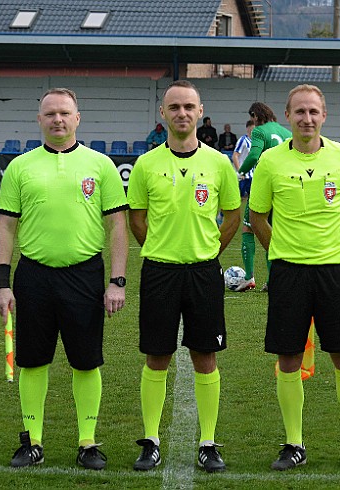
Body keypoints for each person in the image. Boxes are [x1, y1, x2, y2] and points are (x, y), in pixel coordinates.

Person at [0, 88, 128, 471]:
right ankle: (32, 441)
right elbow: (5, 226)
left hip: (85, 275)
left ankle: (87, 442)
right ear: (39, 119)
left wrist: (116, 281)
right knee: (33, 361)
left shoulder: (100, 165)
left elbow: (117, 226)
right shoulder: (21, 166)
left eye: (64, 113)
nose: (57, 120)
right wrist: (2, 283)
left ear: (77, 117)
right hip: (34, 275)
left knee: (86, 362)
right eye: (50, 113)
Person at [248, 84, 340, 472]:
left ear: (324, 116)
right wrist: (280, 252)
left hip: (335, 270)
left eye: (313, 112)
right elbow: (257, 216)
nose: (307, 119)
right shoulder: (270, 161)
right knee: (288, 357)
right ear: (287, 117)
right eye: (299, 112)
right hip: (289, 273)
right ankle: (294, 444)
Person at [127, 80, 241, 473]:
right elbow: (137, 220)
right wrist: (161, 247)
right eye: (174, 107)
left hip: (203, 272)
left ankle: (208, 442)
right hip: (159, 270)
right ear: (163, 113)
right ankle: (151, 440)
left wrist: (209, 250)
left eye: (188, 106)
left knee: (204, 356)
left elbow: (233, 216)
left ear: (200, 110)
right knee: (156, 356)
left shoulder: (218, 163)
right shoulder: (145, 164)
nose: (181, 113)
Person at [233, 102, 291, 292]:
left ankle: (249, 278)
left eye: (252, 118)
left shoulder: (259, 131)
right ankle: (273, 280)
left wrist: (241, 172)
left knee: (248, 229)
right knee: (272, 233)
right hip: (283, 190)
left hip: (264, 187)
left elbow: (252, 156)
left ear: (256, 116)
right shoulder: (286, 132)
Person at [232, 120, 254, 201]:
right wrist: (240, 172)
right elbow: (235, 156)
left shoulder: (255, 141)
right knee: (236, 197)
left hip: (251, 175)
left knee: (251, 198)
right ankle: (223, 213)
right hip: (243, 175)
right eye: (253, 128)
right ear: (248, 128)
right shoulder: (243, 140)